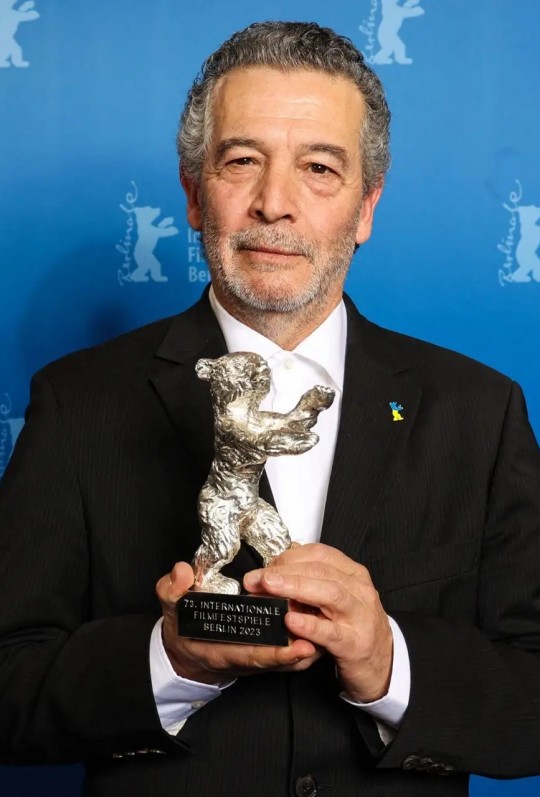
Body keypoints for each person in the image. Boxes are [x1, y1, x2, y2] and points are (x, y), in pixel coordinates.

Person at [1, 20, 540, 797]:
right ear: (195, 194)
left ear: (365, 206)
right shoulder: (78, 401)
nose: (274, 204)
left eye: (319, 168)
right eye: (242, 161)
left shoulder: (479, 412)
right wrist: (169, 660)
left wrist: (389, 661)